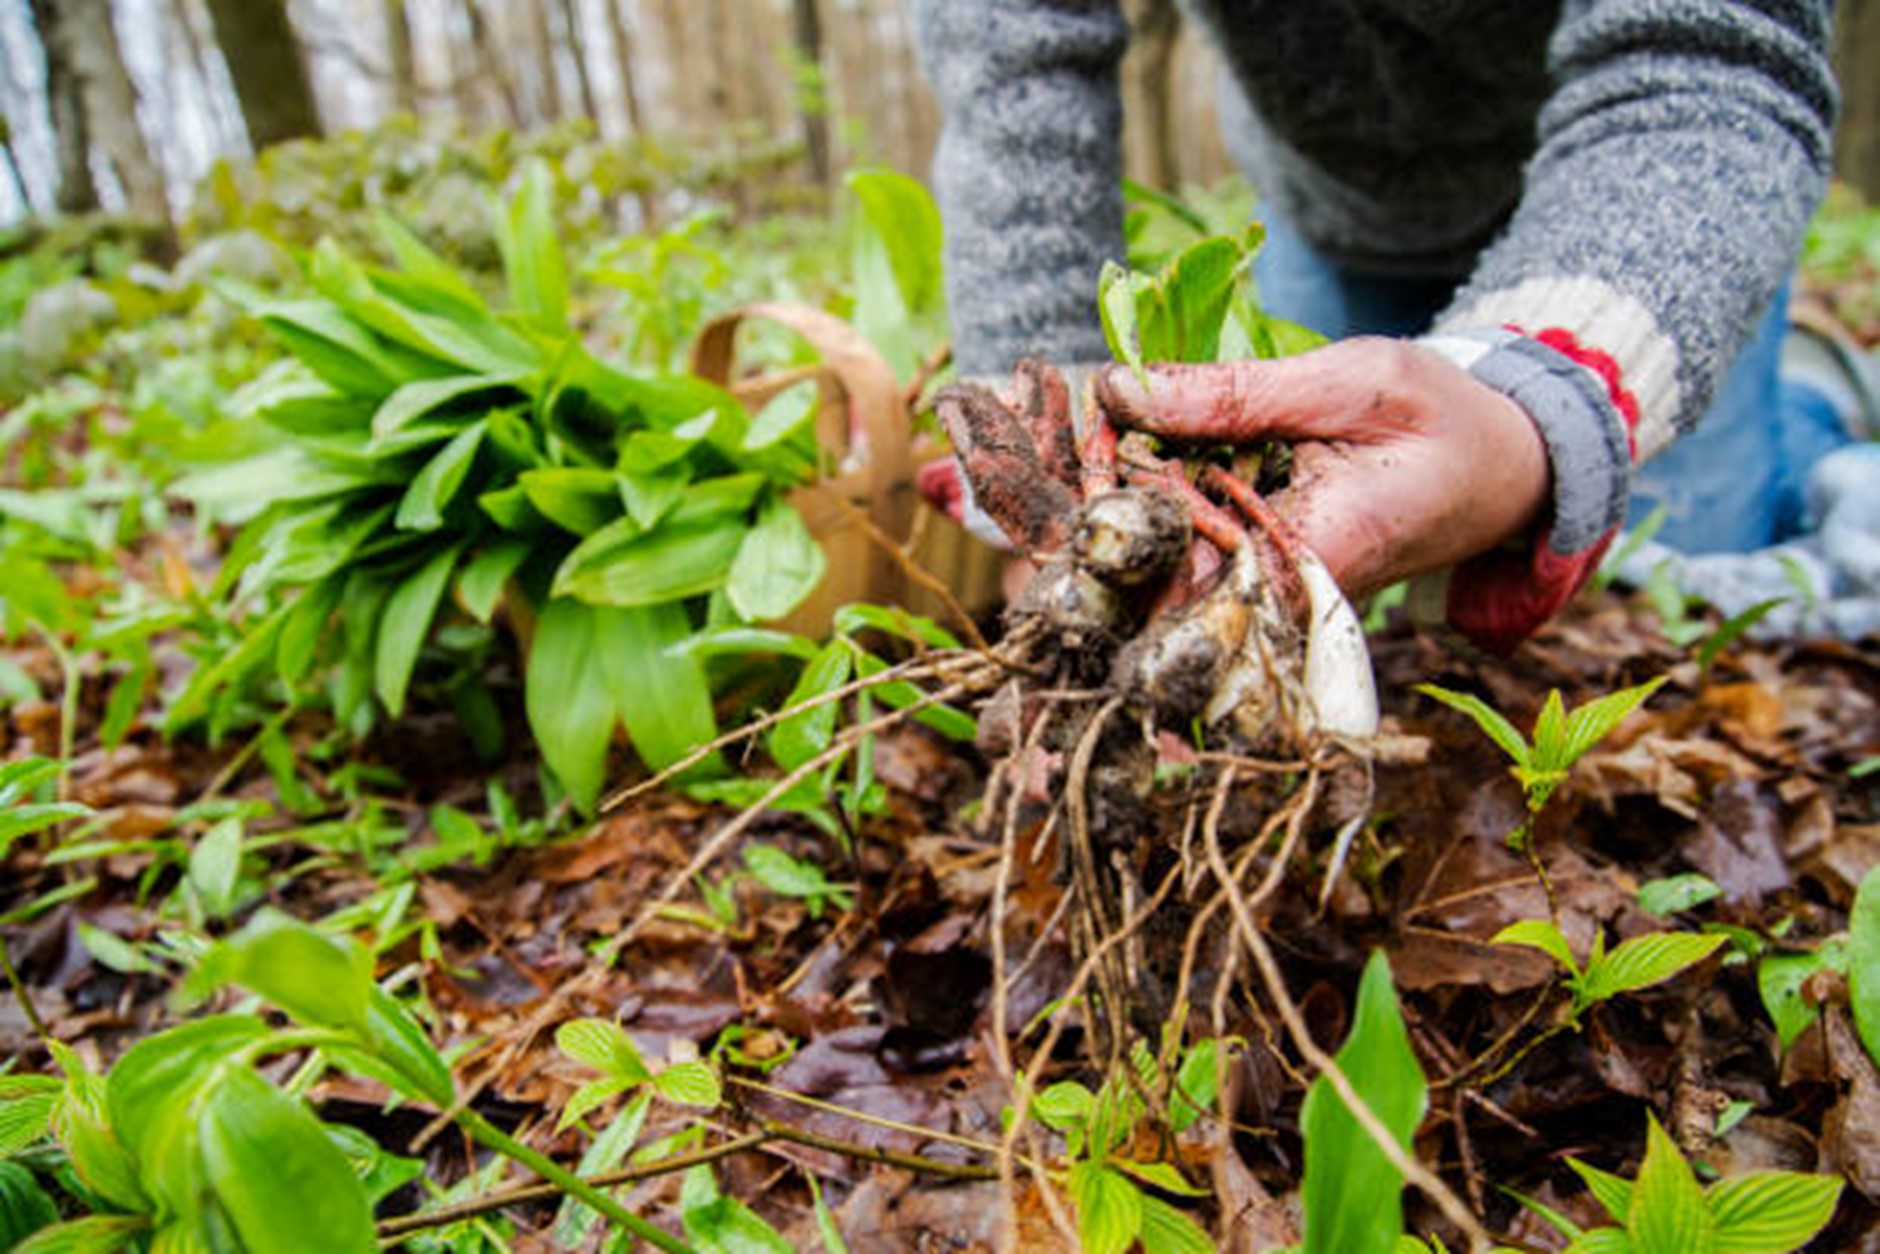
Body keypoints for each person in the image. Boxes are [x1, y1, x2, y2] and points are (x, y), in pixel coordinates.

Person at [912, 1, 1876, 651]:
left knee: (1673, 572)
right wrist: (1039, 444)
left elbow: (1710, 60)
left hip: (1645, 198)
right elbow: (1014, 61)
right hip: (1335, 205)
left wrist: (1538, 396)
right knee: (1332, 558)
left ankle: (1814, 400)